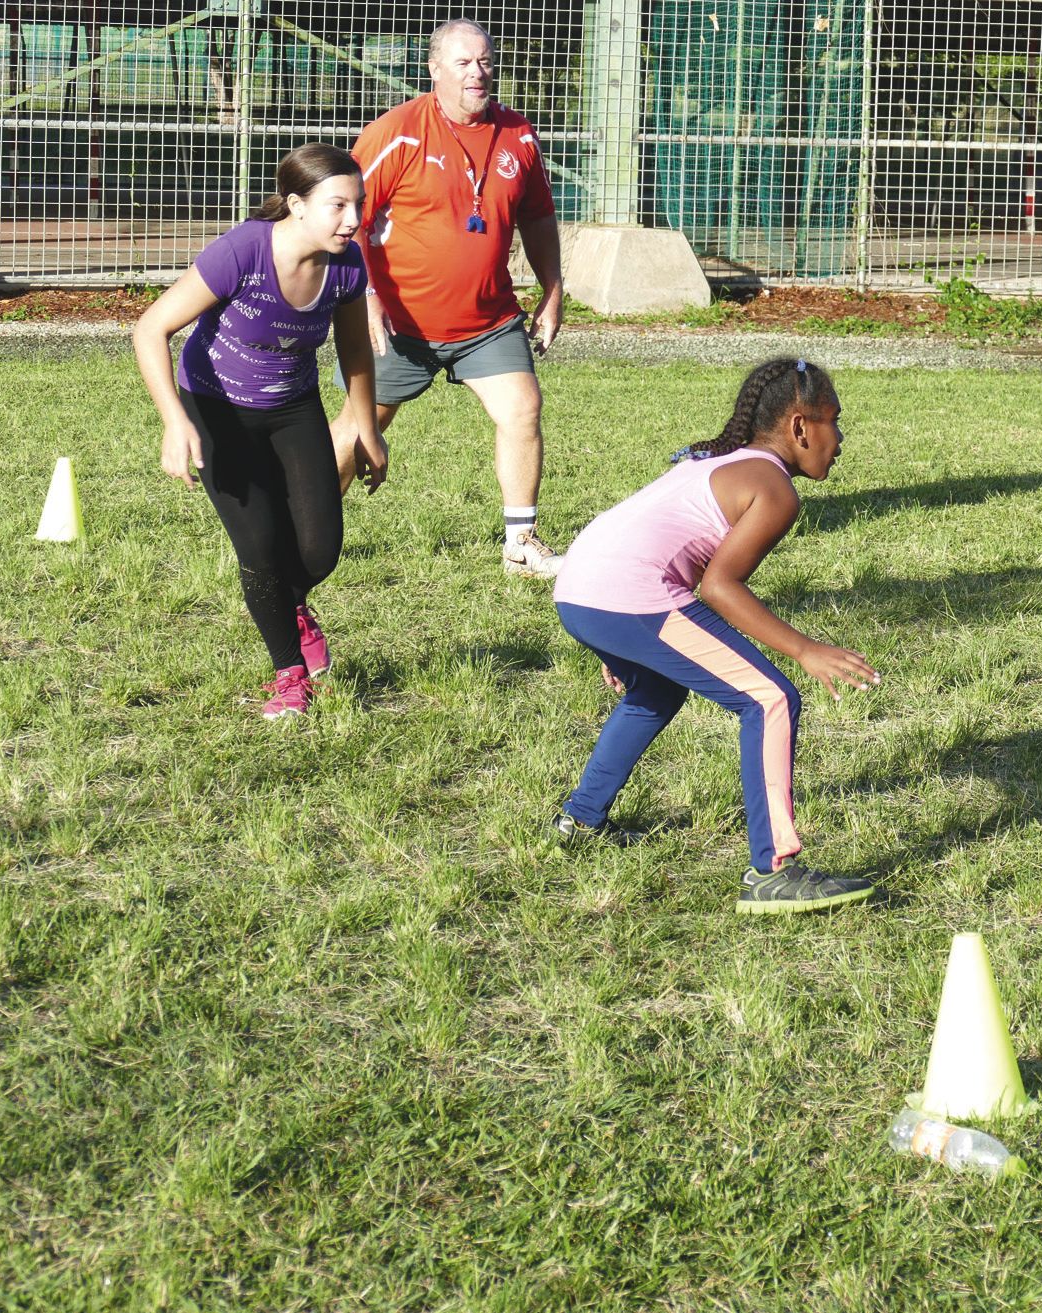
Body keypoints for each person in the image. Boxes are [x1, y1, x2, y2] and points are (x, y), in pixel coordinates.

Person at [550, 358, 881, 915]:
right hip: (626, 595)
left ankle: (580, 819)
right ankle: (773, 871)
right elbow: (720, 587)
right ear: (801, 427)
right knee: (770, 698)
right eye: (835, 420)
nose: (841, 439)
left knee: (656, 693)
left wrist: (622, 635)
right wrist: (804, 649)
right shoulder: (773, 488)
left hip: (578, 590)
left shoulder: (716, 460)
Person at [133, 142, 383, 720]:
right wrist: (174, 421)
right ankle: (289, 673)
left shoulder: (346, 263)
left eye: (360, 204)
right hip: (216, 407)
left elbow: (353, 348)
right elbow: (151, 329)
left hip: (294, 407)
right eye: (339, 206)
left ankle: (290, 607)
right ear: (296, 205)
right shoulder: (243, 251)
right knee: (261, 549)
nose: (354, 220)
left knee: (319, 550)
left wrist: (366, 427)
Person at [345, 17, 566, 579]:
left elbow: (538, 217)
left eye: (486, 61)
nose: (478, 72)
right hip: (400, 325)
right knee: (358, 430)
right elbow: (348, 218)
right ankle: (305, 530)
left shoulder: (519, 135)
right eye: (464, 62)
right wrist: (365, 294)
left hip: (488, 322)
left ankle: (521, 542)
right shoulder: (396, 132)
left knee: (523, 409)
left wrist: (553, 290)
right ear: (434, 68)